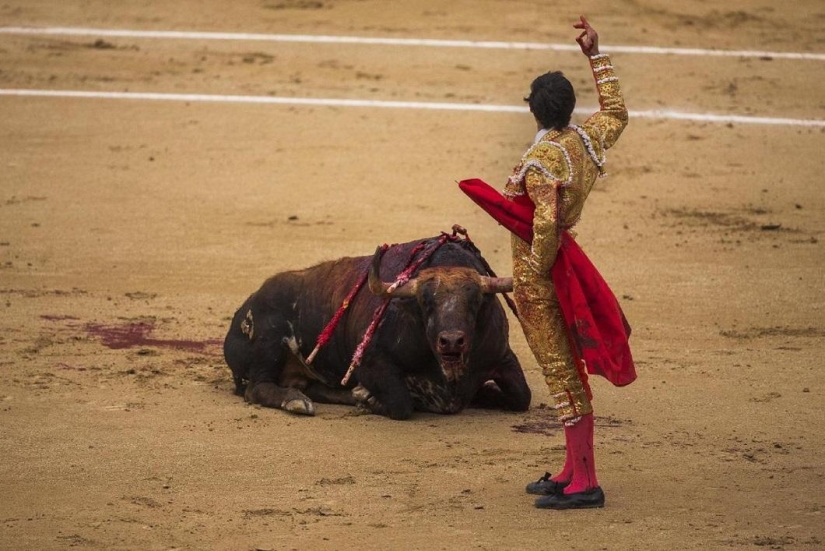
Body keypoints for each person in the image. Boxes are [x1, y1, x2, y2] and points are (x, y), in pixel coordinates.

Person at [461, 15, 634, 510]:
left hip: (545, 276)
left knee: (562, 375)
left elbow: (545, 222)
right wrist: (595, 56)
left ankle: (587, 482)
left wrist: (532, 272)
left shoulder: (543, 163)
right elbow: (617, 112)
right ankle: (571, 469)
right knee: (566, 374)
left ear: (534, 112)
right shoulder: (584, 141)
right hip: (562, 265)